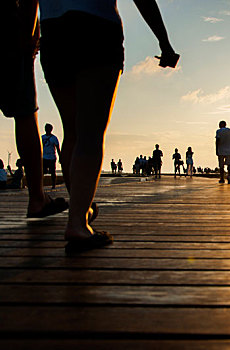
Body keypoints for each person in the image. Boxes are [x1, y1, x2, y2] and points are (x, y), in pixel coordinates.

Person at [38, 0, 178, 252]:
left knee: (71, 131)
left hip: (53, 30)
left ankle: (82, 211)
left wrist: (28, 34)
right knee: (90, 134)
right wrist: (164, 42)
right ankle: (78, 222)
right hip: (96, 26)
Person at [0, 1, 67, 215]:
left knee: (24, 112)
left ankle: (39, 197)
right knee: (25, 113)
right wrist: (30, 31)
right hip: (3, 22)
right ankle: (37, 198)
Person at [42, 123, 61, 189]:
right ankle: (41, 185)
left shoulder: (54, 138)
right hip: (44, 157)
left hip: (51, 157)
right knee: (43, 171)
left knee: (53, 172)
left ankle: (53, 185)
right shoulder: (42, 137)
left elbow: (58, 148)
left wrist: (60, 157)